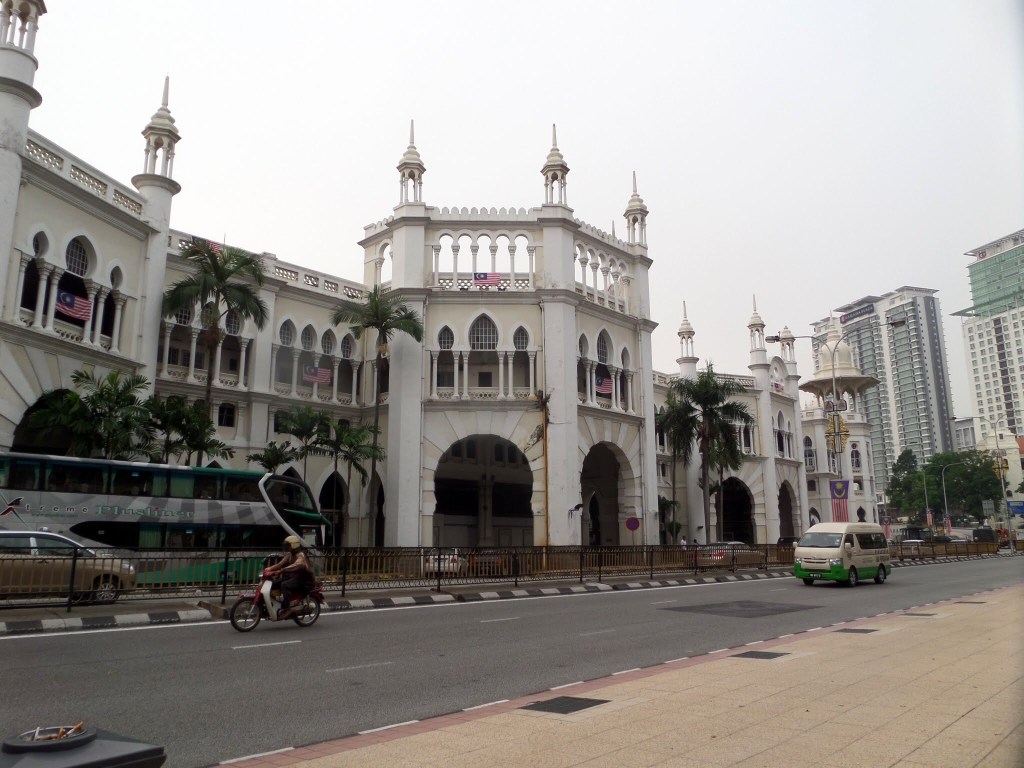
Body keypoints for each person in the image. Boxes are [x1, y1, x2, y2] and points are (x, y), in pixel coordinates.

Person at [265, 535, 314, 620]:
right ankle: (275, 604)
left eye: (288, 546)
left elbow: (295, 565)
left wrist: (282, 570)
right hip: (293, 577)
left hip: (303, 580)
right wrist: (269, 569)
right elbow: (280, 564)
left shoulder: (301, 555)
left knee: (284, 585)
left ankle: (286, 608)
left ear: (294, 545)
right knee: (272, 584)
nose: (286, 548)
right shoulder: (290, 554)